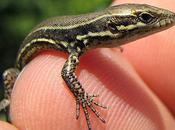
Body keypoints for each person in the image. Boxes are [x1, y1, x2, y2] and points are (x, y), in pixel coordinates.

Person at [1, 0, 175, 129]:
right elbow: (67, 73)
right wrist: (82, 98)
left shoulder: (91, 38)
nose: (162, 21)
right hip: (22, 70)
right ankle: (9, 102)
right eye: (145, 18)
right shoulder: (78, 44)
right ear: (112, 26)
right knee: (10, 76)